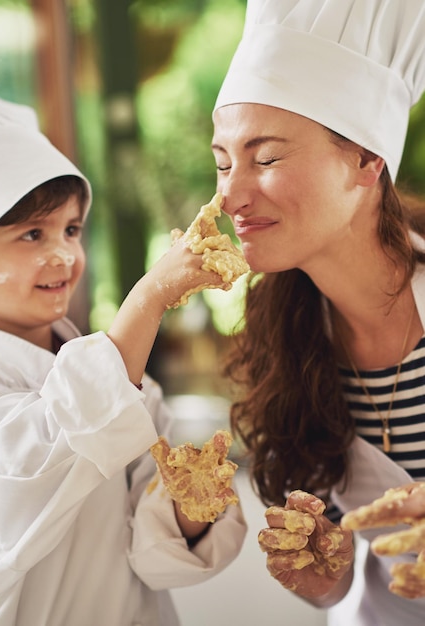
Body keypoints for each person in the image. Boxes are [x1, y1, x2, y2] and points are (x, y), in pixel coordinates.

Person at [0, 90, 247, 626]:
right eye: (32, 233)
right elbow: (40, 457)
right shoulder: (87, 379)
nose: (64, 254)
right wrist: (150, 297)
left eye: (72, 230)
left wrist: (189, 505)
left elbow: (153, 556)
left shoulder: (126, 384)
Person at [210, 0, 425, 624]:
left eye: (266, 157)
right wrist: (318, 573)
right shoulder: (285, 340)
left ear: (367, 160)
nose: (230, 194)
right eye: (223, 162)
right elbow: (339, 582)